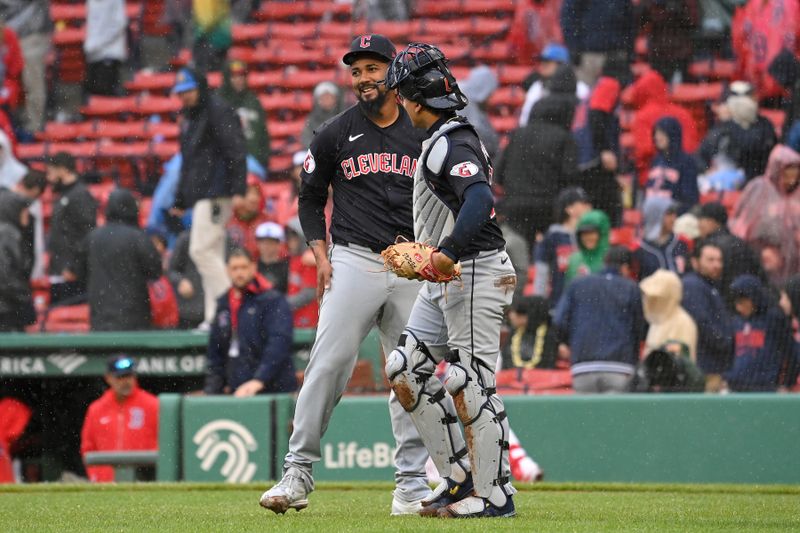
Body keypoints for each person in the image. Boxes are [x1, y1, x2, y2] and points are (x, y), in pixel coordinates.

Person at [259, 35, 430, 517]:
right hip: (354, 258)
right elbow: (309, 198)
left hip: (412, 261)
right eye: (356, 71)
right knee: (328, 363)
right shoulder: (334, 132)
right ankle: (297, 472)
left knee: (409, 373)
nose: (363, 78)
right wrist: (320, 255)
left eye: (373, 68)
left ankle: (412, 484)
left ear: (393, 71)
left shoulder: (422, 128)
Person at [380, 42, 516, 518]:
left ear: (415, 98)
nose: (399, 103)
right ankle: (459, 478)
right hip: (450, 276)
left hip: (474, 268)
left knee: (470, 380)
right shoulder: (443, 137)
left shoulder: (452, 141)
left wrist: (447, 252)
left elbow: (480, 200)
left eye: (401, 94)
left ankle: (494, 494)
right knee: (405, 369)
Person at [171, 67, 247, 329]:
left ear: (200, 88)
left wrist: (238, 188)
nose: (185, 97)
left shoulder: (216, 109)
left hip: (217, 192)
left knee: (201, 251)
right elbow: (188, 163)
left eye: (189, 91)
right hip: (204, 194)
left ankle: (233, 308)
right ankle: (216, 318)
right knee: (211, 253)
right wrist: (180, 200)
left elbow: (236, 148)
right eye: (181, 93)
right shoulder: (193, 117)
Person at [496, 63, 580, 246]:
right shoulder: (564, 138)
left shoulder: (517, 134)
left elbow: (497, 173)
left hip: (514, 206)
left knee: (518, 256)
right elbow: (570, 176)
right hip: (548, 209)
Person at [554, 246, 646, 393]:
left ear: (605, 263)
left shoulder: (578, 284)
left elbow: (559, 321)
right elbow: (640, 328)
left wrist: (565, 343)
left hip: (583, 367)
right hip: (620, 367)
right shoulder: (630, 287)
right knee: (615, 416)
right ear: (625, 267)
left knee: (585, 416)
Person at [204, 248, 296, 396]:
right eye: (234, 268)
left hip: (275, 390)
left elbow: (279, 343)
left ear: (253, 267)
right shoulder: (223, 304)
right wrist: (212, 392)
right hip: (239, 390)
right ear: (227, 270)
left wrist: (259, 379)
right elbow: (216, 353)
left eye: (244, 267)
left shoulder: (272, 299)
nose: (239, 273)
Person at [76, 189, 162, 331]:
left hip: (100, 315)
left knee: (105, 352)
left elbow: (79, 273)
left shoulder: (92, 237)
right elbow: (155, 272)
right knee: (132, 353)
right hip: (135, 316)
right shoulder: (138, 237)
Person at [80, 355, 159, 482]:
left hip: (143, 481)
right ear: (108, 378)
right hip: (106, 483)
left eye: (129, 376)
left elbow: (165, 444)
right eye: (120, 377)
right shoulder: (97, 409)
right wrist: (96, 476)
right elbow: (88, 447)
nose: (125, 381)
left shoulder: (153, 405)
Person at [729, 144, 800, 285]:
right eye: (786, 176)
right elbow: (741, 226)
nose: (790, 181)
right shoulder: (758, 189)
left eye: (795, 176)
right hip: (761, 259)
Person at [698, 81, 778, 183]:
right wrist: (707, 170)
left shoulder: (764, 126)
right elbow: (701, 156)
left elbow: (755, 153)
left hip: (756, 183)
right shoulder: (722, 127)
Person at [681, 241, 734, 392]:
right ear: (695, 262)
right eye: (710, 260)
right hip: (705, 367)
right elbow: (702, 322)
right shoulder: (693, 285)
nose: (717, 265)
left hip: (713, 365)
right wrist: (725, 342)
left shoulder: (709, 285)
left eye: (719, 260)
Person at [725, 274, 793, 392]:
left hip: (766, 389)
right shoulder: (736, 322)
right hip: (737, 388)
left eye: (742, 302)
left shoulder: (774, 318)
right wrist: (727, 378)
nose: (738, 308)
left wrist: (786, 383)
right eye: (736, 303)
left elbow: (790, 352)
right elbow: (730, 354)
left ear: (754, 298)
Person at [45, 152, 97, 305]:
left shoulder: (80, 195)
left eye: (51, 172)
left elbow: (87, 233)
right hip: (60, 267)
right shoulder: (64, 194)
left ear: (62, 169)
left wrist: (74, 267)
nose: (49, 177)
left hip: (71, 272)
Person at [532, 187, 592, 306]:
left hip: (586, 305)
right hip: (559, 305)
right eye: (583, 203)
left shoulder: (591, 238)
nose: (588, 206)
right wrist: (539, 305)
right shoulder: (552, 237)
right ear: (569, 209)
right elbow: (542, 273)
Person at [696, 201, 764, 305]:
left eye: (701, 220)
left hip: (721, 304)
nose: (698, 224)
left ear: (712, 221)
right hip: (743, 303)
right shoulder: (741, 243)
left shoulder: (709, 247)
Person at [0, 0, 51, 132]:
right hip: (5, 35)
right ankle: (13, 127)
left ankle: (34, 129)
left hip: (32, 34)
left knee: (32, 84)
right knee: (10, 83)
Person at [560, 0, 635, 86]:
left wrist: (629, 51)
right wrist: (574, 48)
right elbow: (568, 18)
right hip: (589, 55)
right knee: (585, 93)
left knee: (615, 94)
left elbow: (630, 22)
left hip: (616, 54)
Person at [218, 60, 271, 171]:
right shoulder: (218, 101)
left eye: (242, 76)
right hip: (224, 160)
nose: (239, 80)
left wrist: (262, 159)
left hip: (252, 160)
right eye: (234, 76)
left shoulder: (254, 101)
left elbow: (264, 134)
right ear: (227, 78)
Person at [639, 269, 698, 361]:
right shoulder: (658, 321)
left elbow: (683, 362)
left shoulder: (683, 323)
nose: (651, 300)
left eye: (656, 298)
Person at [645, 117, 699, 210]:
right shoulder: (656, 160)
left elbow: (689, 198)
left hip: (673, 213)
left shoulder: (686, 161)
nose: (657, 137)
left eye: (662, 133)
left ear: (672, 135)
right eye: (656, 133)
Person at [0, 189, 34, 331]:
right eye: (24, 209)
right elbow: (5, 277)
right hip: (6, 309)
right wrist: (25, 299)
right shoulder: (7, 234)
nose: (28, 214)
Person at [634, 197, 690, 280]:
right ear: (655, 215)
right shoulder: (638, 249)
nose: (674, 219)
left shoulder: (682, 242)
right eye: (669, 214)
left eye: (675, 214)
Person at [501, 296, 558, 370]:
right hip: (511, 378)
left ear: (527, 316)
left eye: (516, 313)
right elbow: (506, 361)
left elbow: (546, 365)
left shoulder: (548, 336)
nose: (511, 316)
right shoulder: (514, 334)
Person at [83, 0, 127, 96]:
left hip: (110, 53)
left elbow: (119, 25)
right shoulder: (90, 2)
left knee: (106, 93)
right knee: (93, 94)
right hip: (93, 55)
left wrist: (97, 44)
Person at [457, 65, 500, 160]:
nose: (490, 98)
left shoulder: (476, 101)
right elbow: (477, 133)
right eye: (489, 93)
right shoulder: (463, 97)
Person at [167, 230, 205, 329]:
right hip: (190, 309)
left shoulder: (223, 238)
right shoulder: (186, 239)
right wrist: (180, 281)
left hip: (216, 309)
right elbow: (171, 270)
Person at [226, 174, 269, 261]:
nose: (253, 198)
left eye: (257, 193)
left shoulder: (268, 222)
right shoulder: (225, 221)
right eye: (247, 192)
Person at [563, 209, 611, 286]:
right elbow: (568, 291)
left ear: (602, 233)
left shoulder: (611, 258)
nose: (587, 237)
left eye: (592, 233)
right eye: (584, 233)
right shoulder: (574, 260)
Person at [301, 81, 344, 148]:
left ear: (335, 99)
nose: (327, 100)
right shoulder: (312, 119)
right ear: (317, 100)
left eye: (329, 97)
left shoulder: (343, 116)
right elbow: (306, 138)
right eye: (323, 98)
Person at [254, 221, 289, 294]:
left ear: (279, 244)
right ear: (257, 243)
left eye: (271, 242)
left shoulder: (288, 267)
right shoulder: (252, 266)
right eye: (263, 242)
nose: (266, 246)